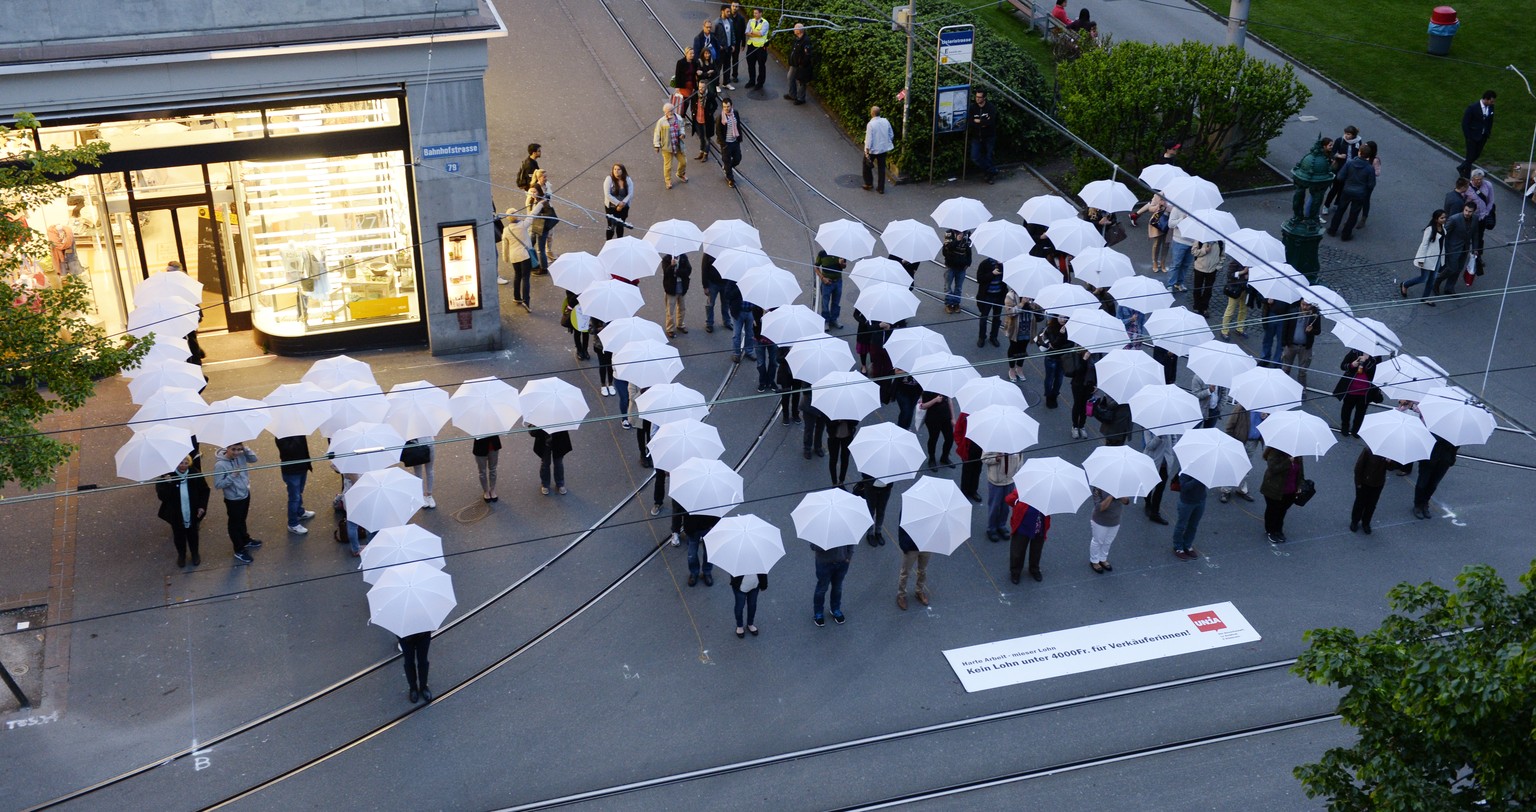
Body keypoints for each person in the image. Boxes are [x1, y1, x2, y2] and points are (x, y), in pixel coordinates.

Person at [156, 455, 210, 568]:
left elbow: (204, 490)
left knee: (193, 534)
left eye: (186, 463)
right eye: (180, 463)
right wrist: (168, 483)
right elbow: (162, 497)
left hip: (192, 512)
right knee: (178, 535)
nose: (183, 466)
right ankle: (181, 555)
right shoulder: (167, 476)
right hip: (176, 514)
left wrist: (202, 506)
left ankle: (195, 554)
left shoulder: (194, 473)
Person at [212, 442, 262, 564]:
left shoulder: (240, 455)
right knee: (234, 524)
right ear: (227, 448)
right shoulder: (220, 464)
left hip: (244, 493)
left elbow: (254, 459)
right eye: (233, 449)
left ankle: (245, 539)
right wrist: (232, 476)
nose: (236, 452)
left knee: (242, 520)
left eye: (239, 449)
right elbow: (218, 485)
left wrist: (246, 449)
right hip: (233, 499)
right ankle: (239, 550)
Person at [1326, 141, 1376, 241]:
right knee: (1353, 214)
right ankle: (1346, 234)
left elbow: (1340, 177)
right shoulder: (1370, 168)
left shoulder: (1350, 163)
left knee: (1340, 210)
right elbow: (1371, 184)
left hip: (1347, 190)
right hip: (1360, 193)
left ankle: (1333, 229)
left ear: (1359, 153)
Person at [1003, 489, 1049, 583]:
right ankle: (1015, 571)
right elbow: (1008, 499)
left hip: (1039, 527)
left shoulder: (1048, 493)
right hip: (1023, 527)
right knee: (1017, 551)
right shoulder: (1024, 489)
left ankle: (1034, 569)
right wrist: (1018, 500)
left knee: (1036, 550)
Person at [1401, 209, 1446, 304]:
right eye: (1442, 218)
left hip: (1437, 258)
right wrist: (1421, 260)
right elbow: (1424, 245)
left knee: (1432, 279)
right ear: (1436, 219)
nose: (1444, 219)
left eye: (1445, 217)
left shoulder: (1443, 227)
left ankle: (1425, 298)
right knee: (1424, 278)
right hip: (1428, 258)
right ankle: (1405, 284)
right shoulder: (1429, 230)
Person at [1436, 200, 1479, 298]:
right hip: (1452, 248)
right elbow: (1444, 233)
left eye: (1470, 211)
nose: (1467, 213)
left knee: (1459, 269)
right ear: (1463, 209)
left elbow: (1476, 234)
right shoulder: (1454, 219)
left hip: (1465, 248)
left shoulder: (1475, 219)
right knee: (1452, 268)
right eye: (1466, 210)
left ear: (1474, 212)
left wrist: (1475, 248)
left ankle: (1449, 288)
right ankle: (1437, 281)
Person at [275, 434, 317, 535]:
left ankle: (300, 512)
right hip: (291, 471)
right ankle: (292, 524)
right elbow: (290, 450)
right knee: (294, 497)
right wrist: (296, 437)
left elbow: (304, 449)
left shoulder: (298, 432)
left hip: (302, 467)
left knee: (299, 492)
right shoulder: (281, 436)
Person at [1260, 447, 1304, 543]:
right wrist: (1288, 462)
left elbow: (1300, 472)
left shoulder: (1298, 454)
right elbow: (1273, 469)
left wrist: (1299, 485)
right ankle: (1270, 531)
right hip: (1274, 489)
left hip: (1291, 490)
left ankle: (1278, 530)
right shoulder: (1274, 452)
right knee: (1272, 510)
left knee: (1282, 511)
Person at [1219, 404, 1261, 503]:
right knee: (1233, 465)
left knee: (1246, 466)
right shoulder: (1241, 407)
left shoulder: (1266, 410)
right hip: (1239, 441)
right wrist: (1230, 441)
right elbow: (1230, 425)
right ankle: (1226, 490)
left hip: (1253, 442)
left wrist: (1265, 418)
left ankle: (1241, 489)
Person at [1334, 349, 1379, 437]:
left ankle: (1356, 430)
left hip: (1366, 392)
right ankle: (1345, 427)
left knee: (1360, 413)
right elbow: (1343, 366)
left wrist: (1367, 361)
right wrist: (1352, 364)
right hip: (1351, 389)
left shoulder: (1377, 358)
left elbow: (1376, 373)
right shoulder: (1354, 352)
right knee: (1347, 409)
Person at [1169, 461, 1208, 560]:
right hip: (1187, 502)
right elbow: (1184, 487)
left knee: (1193, 525)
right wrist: (1197, 480)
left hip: (1200, 500)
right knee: (1181, 525)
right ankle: (1178, 547)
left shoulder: (1205, 467)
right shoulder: (1184, 468)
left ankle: (1187, 544)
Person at [1413, 437, 1459, 520]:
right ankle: (1417, 504)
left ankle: (1425, 503)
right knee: (1422, 483)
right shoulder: (1433, 427)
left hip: (1444, 460)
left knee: (1433, 484)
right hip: (1429, 459)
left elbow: (1456, 446)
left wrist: (1452, 458)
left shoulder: (1455, 431)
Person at [983, 450, 1024, 541]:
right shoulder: (993, 442)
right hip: (996, 481)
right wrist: (995, 458)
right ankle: (991, 528)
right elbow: (984, 458)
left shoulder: (1016, 443)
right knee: (994, 506)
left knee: (1006, 507)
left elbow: (1020, 459)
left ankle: (1002, 525)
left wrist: (1018, 474)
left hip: (1010, 480)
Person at [1280, 299, 1321, 388]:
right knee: (1285, 368)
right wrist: (1284, 343)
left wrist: (1311, 330)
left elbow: (1318, 331)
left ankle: (1302, 389)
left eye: (1307, 305)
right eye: (1303, 304)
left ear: (1311, 305)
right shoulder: (1293, 313)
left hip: (1305, 347)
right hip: (1291, 345)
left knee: (1302, 371)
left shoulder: (1315, 316)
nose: (1304, 307)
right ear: (1300, 303)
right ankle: (1283, 386)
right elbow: (1285, 328)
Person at [499, 208, 534, 311]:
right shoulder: (523, 225)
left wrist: (505, 258)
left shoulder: (506, 230)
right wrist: (540, 204)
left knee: (517, 276)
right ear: (517, 215)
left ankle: (517, 297)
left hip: (514, 257)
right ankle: (526, 301)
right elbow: (533, 215)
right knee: (525, 278)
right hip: (525, 256)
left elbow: (505, 246)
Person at [811, 540, 852, 626]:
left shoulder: (843, 527)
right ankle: (818, 613)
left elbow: (850, 541)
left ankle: (835, 609)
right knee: (822, 589)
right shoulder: (820, 530)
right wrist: (825, 544)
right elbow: (813, 547)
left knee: (837, 588)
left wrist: (848, 556)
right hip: (824, 564)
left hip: (842, 562)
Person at [1322, 126, 1360, 216]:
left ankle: (1337, 203)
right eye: (1346, 133)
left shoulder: (1357, 142)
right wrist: (1338, 156)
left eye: (1349, 134)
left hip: (1350, 169)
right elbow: (1332, 152)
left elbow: (1358, 153)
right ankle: (1326, 205)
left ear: (1353, 135)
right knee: (1335, 188)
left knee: (1343, 189)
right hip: (1340, 168)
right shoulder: (1340, 140)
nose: (1346, 136)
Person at [1351, 447, 1391, 534]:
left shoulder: (1388, 453)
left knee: (1371, 505)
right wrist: (1358, 483)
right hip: (1364, 482)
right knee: (1359, 503)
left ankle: (1366, 523)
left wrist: (1390, 462)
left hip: (1378, 484)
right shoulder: (1368, 451)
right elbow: (1358, 468)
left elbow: (1391, 468)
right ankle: (1355, 521)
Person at [1088, 485, 1127, 573]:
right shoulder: (1098, 488)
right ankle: (1094, 561)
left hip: (1115, 520)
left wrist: (1119, 494)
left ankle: (1103, 558)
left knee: (1108, 541)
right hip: (1100, 521)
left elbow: (1126, 501)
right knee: (1098, 541)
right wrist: (1112, 495)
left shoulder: (1120, 486)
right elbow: (1100, 508)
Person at [1458, 90, 1496, 179]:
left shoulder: (1491, 108)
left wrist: (1488, 132)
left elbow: (1490, 121)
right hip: (1472, 136)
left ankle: (1461, 167)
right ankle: (1466, 176)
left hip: (1483, 136)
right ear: (1486, 99)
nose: (1492, 103)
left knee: (1476, 155)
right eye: (1491, 101)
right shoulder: (1473, 108)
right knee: (1470, 156)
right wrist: (1468, 137)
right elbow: (1465, 123)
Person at [1002, 287, 1037, 383]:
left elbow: (1037, 310)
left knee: (1023, 349)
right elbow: (1009, 312)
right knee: (1013, 349)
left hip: (1028, 327)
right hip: (1015, 328)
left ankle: (1019, 368)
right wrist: (1021, 304)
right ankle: (1012, 369)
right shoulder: (1011, 295)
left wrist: (1032, 304)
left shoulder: (1033, 294)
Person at [526, 168, 557, 271]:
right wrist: (536, 199)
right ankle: (539, 265)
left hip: (544, 218)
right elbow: (529, 206)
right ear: (539, 178)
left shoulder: (547, 186)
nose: (546, 178)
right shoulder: (534, 189)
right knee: (534, 245)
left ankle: (535, 263)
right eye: (544, 177)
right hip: (538, 220)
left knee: (533, 243)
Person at [653, 103, 689, 191]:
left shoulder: (678, 118)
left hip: (677, 145)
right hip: (667, 147)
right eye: (670, 110)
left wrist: (682, 134)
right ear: (665, 112)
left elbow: (681, 128)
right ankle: (668, 181)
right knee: (668, 166)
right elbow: (657, 134)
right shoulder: (661, 121)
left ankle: (680, 174)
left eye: (673, 109)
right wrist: (657, 145)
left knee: (683, 162)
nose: (672, 112)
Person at [1132, 192, 1170, 273]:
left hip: (1170, 223)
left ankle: (1163, 262)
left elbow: (1177, 210)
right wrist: (1158, 206)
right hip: (1158, 222)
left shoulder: (1177, 197)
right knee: (1157, 243)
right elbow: (1150, 208)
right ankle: (1155, 262)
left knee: (1166, 244)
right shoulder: (1160, 194)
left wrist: (1166, 207)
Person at [1142, 432, 1174, 525]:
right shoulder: (1148, 428)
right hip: (1153, 462)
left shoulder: (1170, 426)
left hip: (1165, 464)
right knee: (1149, 486)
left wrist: (1171, 452)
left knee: (1160, 488)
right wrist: (1158, 436)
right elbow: (1149, 446)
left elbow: (1173, 438)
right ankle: (1148, 503)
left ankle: (1155, 513)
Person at [894, 528, 930, 611]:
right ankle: (901, 595)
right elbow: (902, 528)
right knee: (905, 572)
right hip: (911, 547)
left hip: (926, 546)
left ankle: (919, 591)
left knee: (923, 571)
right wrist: (905, 546)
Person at [967, 89, 999, 184]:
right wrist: (983, 123)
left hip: (989, 136)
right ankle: (992, 171)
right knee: (975, 157)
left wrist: (979, 121)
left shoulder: (990, 108)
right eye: (976, 97)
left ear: (984, 98)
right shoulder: (973, 108)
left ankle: (989, 176)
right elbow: (971, 122)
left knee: (989, 157)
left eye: (979, 97)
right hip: (977, 137)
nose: (977, 99)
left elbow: (991, 122)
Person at [1163, 203, 1196, 293]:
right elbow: (1170, 224)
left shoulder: (1198, 210)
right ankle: (1170, 284)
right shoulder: (1177, 208)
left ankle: (1179, 283)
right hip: (1179, 241)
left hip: (1193, 242)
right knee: (1176, 264)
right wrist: (1182, 219)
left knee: (1186, 264)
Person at [862, 106, 895, 193]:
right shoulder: (885, 121)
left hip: (873, 150)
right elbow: (891, 134)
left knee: (866, 166)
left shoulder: (870, 124)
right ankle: (880, 188)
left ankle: (869, 183)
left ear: (872, 113)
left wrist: (867, 151)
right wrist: (887, 143)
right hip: (883, 149)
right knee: (881, 168)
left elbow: (869, 139)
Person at [974, 256, 1006, 347]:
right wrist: (992, 273)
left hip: (999, 296)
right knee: (983, 318)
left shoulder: (1004, 265)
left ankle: (994, 337)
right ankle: (982, 337)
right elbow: (979, 279)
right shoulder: (985, 264)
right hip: (986, 296)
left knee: (997, 318)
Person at [530, 426, 571, 496]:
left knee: (558, 463)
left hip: (559, 441)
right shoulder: (539, 416)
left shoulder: (560, 416)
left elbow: (565, 427)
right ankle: (545, 484)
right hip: (544, 442)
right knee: (545, 463)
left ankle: (560, 484)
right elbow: (532, 432)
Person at [682, 511, 719, 586]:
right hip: (692, 528)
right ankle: (694, 572)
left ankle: (707, 572)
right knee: (692, 554)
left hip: (708, 526)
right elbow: (679, 510)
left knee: (708, 553)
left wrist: (715, 525)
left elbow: (718, 510)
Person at [953, 410, 983, 503]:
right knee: (967, 470)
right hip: (967, 447)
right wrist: (960, 444)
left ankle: (973, 490)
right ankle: (964, 491)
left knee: (977, 469)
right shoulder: (965, 413)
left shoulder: (985, 413)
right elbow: (958, 430)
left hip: (980, 446)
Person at [919, 390, 954, 467]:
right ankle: (931, 459)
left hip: (946, 418)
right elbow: (923, 406)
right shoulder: (927, 391)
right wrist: (935, 400)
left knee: (950, 438)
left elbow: (949, 402)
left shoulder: (945, 387)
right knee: (933, 438)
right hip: (933, 419)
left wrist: (952, 418)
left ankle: (944, 457)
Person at [940, 229, 972, 313]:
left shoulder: (968, 233)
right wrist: (957, 240)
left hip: (962, 267)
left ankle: (956, 303)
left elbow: (969, 250)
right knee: (948, 286)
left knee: (959, 287)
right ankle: (949, 304)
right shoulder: (949, 233)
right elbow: (947, 249)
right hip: (950, 266)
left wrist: (968, 263)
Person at [857, 475, 894, 546]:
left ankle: (878, 532)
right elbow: (864, 474)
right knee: (871, 511)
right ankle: (870, 534)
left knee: (881, 511)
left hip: (886, 489)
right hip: (871, 488)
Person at [1038, 315, 1067, 407]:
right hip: (1052, 358)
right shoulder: (1051, 328)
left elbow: (1070, 345)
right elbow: (1054, 345)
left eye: (1065, 317)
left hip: (1063, 358)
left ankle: (1054, 395)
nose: (1063, 319)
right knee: (1050, 378)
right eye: (1061, 317)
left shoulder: (1069, 329)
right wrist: (1061, 335)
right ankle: (1048, 396)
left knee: (1059, 379)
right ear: (1056, 317)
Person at [716, 97, 744, 189]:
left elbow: (738, 125)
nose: (726, 109)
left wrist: (739, 138)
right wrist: (723, 144)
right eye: (724, 107)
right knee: (727, 161)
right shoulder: (720, 117)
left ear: (731, 106)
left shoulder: (735, 113)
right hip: (726, 144)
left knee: (738, 158)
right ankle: (730, 179)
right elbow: (718, 132)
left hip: (735, 141)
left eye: (728, 106)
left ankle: (727, 168)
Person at [1066, 345, 1094, 438]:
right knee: (1077, 404)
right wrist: (1084, 359)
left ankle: (1081, 426)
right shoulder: (1077, 353)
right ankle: (1074, 426)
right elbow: (1077, 371)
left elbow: (1098, 370)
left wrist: (1096, 384)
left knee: (1085, 406)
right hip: (1078, 384)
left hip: (1089, 384)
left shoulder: (1096, 354)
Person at [1190, 240, 1223, 316]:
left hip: (1212, 270)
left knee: (1208, 290)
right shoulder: (1200, 240)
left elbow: (1222, 256)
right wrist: (1205, 250)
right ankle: (1197, 306)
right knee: (1197, 288)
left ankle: (1204, 308)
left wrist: (1218, 267)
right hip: (1199, 268)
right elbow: (1193, 252)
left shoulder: (1220, 242)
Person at [814, 249, 846, 330]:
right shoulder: (822, 253)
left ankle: (834, 319)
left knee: (836, 302)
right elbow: (816, 267)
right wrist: (823, 278)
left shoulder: (841, 253)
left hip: (838, 282)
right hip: (826, 282)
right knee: (825, 303)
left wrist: (841, 263)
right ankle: (826, 321)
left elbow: (844, 266)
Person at [398, 631, 433, 704]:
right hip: (405, 636)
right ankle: (413, 688)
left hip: (423, 632)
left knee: (423, 660)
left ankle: (423, 686)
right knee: (409, 662)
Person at [701, 251, 731, 333]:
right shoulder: (708, 253)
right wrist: (705, 286)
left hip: (725, 282)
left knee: (726, 303)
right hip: (712, 283)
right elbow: (704, 269)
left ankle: (727, 321)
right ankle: (709, 323)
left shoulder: (728, 252)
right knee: (710, 304)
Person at [1220, 261, 1250, 340]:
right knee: (1230, 311)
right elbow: (1230, 275)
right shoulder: (1235, 261)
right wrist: (1243, 273)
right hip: (1236, 290)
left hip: (1246, 290)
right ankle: (1224, 330)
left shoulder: (1252, 263)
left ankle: (1239, 328)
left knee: (1243, 310)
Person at [730, 571, 766, 638]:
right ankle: (739, 625)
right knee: (739, 606)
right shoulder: (738, 562)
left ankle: (750, 624)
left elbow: (762, 572)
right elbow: (733, 573)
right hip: (740, 588)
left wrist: (764, 584)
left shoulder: (757, 561)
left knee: (752, 605)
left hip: (754, 586)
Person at [717, 3, 744, 90]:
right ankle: (716, 84)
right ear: (722, 11)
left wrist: (733, 44)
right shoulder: (717, 22)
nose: (729, 13)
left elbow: (732, 34)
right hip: (721, 49)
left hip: (729, 48)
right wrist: (718, 46)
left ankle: (726, 82)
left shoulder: (730, 21)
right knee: (718, 66)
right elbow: (713, 36)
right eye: (727, 11)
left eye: (729, 11)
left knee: (727, 66)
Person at [602, 163, 633, 240]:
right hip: (611, 207)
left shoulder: (627, 179)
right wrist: (618, 203)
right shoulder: (609, 179)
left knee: (620, 225)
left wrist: (623, 203)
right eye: (615, 169)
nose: (616, 171)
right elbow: (607, 194)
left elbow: (630, 193)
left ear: (623, 171)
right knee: (611, 226)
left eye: (618, 169)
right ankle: (608, 242)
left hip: (624, 207)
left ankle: (619, 241)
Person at [784, 24, 812, 105]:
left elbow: (807, 55)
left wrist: (802, 64)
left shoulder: (806, 40)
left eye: (795, 28)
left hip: (801, 66)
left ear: (799, 30)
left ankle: (800, 98)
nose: (793, 29)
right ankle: (792, 94)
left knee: (801, 82)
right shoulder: (798, 39)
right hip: (794, 64)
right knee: (790, 77)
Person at [404, 437, 435, 509]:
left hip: (429, 444)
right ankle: (422, 495)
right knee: (418, 472)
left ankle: (429, 495)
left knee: (429, 470)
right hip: (416, 447)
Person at [826, 418, 857, 487]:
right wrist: (838, 421)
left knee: (845, 458)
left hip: (847, 437)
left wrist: (847, 419)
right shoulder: (832, 411)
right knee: (833, 459)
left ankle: (841, 481)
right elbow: (828, 423)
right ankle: (834, 482)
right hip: (833, 437)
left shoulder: (849, 411)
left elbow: (855, 422)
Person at [744, 7, 769, 90]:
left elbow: (761, 34)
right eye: (754, 13)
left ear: (761, 13)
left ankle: (760, 83)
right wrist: (755, 33)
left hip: (761, 47)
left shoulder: (765, 23)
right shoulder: (751, 21)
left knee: (761, 66)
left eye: (756, 13)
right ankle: (752, 81)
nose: (754, 14)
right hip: (751, 46)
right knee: (750, 65)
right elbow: (746, 32)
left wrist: (752, 32)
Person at [472, 434, 501, 502]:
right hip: (480, 447)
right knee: (482, 471)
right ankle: (486, 491)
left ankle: (492, 490)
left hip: (493, 446)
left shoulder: (494, 423)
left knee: (493, 469)